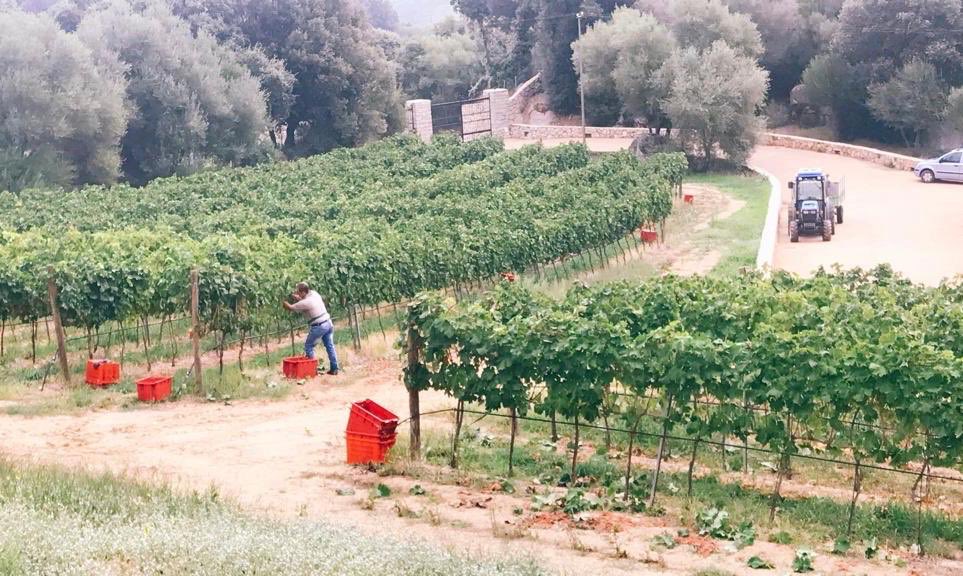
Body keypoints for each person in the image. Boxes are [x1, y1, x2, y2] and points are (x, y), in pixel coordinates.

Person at [283, 282, 339, 375]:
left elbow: (291, 307)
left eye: (298, 292)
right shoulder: (314, 293)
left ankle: (312, 370)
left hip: (319, 326)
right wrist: (298, 298)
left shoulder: (305, 303)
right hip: (328, 322)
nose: (297, 293)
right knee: (330, 346)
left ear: (303, 292)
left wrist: (284, 302)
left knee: (308, 346)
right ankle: (334, 368)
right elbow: (304, 300)